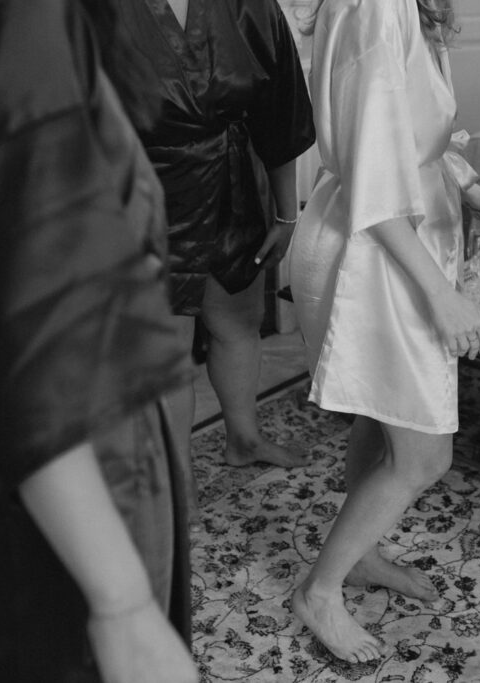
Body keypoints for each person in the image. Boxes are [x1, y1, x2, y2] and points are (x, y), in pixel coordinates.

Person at [0, 0, 199, 681]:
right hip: (51, 485)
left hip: (41, 447)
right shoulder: (11, 16)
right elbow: (35, 325)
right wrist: (122, 604)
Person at [288, 0, 480, 664]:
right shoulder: (377, 7)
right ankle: (319, 590)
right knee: (423, 455)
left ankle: (361, 556)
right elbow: (376, 176)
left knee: (380, 417)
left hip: (397, 236)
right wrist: (441, 297)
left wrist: (461, 180)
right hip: (377, 250)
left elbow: (404, 132)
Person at [112, 0, 316, 476]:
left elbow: (280, 110)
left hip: (233, 182)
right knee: (167, 350)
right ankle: (177, 479)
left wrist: (287, 214)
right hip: (144, 196)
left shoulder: (250, 5)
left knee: (240, 321)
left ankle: (243, 439)